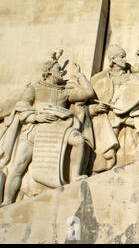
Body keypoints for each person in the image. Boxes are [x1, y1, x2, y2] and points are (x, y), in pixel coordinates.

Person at [1, 51, 94, 205]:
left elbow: (88, 92)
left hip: (57, 129)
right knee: (19, 165)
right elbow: (22, 107)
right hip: (35, 129)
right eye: (59, 70)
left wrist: (79, 76)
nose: (62, 73)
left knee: (78, 140)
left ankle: (75, 176)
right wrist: (36, 117)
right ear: (48, 71)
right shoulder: (35, 88)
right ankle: (7, 201)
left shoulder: (63, 91)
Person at [90, 45, 139, 172]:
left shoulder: (132, 77)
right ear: (113, 59)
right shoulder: (100, 80)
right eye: (121, 57)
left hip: (130, 113)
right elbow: (87, 103)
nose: (124, 59)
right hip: (111, 114)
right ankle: (99, 167)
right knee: (107, 144)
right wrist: (95, 109)